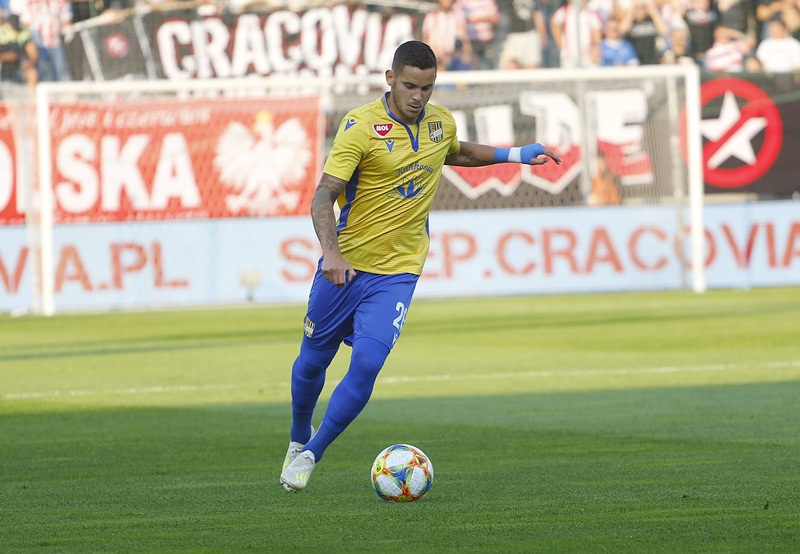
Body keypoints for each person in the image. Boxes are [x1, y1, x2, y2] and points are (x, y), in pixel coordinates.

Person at [279, 40, 561, 493]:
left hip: (398, 273)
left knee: (367, 363)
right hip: (345, 266)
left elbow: (456, 152)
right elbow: (322, 196)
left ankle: (312, 452)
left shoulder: (439, 122)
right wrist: (331, 253)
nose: (418, 96)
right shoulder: (360, 127)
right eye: (410, 86)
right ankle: (298, 436)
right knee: (312, 363)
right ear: (390, 79)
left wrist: (516, 154)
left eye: (427, 88)